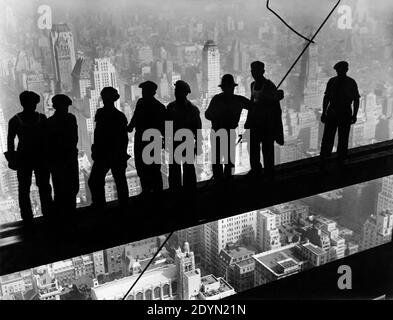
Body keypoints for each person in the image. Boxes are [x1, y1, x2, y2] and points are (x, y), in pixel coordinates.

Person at [5, 91, 53, 223]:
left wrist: (12, 159)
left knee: (24, 188)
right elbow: (48, 139)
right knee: (43, 186)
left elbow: (10, 143)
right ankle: (48, 213)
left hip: (23, 157)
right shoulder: (42, 118)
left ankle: (27, 218)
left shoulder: (14, 120)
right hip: (40, 157)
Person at [88, 87, 130, 210]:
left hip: (112, 154)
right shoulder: (103, 113)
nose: (104, 99)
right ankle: (102, 204)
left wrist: (121, 154)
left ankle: (105, 205)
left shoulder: (118, 116)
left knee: (117, 180)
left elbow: (123, 138)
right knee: (101, 180)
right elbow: (98, 133)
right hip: (105, 154)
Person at [205, 74, 251, 179]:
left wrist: (217, 116)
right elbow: (254, 107)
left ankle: (219, 183)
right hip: (228, 133)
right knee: (228, 162)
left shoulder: (217, 99)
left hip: (217, 132)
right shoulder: (238, 100)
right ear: (233, 87)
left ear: (222, 88)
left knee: (217, 162)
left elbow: (207, 114)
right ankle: (227, 183)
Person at [245, 61, 284, 178]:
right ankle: (256, 169)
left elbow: (275, 107)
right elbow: (252, 103)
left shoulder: (269, 85)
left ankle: (269, 171)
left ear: (262, 71)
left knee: (267, 150)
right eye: (252, 70)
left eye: (256, 70)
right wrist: (248, 120)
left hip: (267, 124)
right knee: (253, 149)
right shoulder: (252, 85)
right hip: (255, 123)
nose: (253, 73)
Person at [128, 81, 166, 194]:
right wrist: (129, 127)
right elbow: (134, 118)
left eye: (145, 91)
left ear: (152, 92)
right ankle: (148, 190)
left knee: (153, 168)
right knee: (141, 166)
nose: (143, 93)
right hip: (142, 138)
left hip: (151, 139)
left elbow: (166, 124)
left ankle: (156, 191)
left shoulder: (158, 107)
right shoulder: (143, 103)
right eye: (143, 91)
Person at [320, 61, 360, 165]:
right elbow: (327, 97)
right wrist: (354, 115)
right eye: (338, 71)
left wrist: (324, 112)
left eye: (340, 70)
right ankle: (338, 159)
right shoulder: (350, 82)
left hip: (336, 113)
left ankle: (327, 159)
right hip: (340, 113)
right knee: (339, 137)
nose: (339, 72)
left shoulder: (334, 81)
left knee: (334, 137)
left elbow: (326, 98)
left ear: (345, 70)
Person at [47, 94, 79, 215]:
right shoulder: (71, 118)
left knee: (61, 189)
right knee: (70, 188)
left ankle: (62, 217)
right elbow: (74, 139)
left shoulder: (50, 121)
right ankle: (69, 215)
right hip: (67, 158)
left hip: (58, 160)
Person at [166, 80, 202, 190]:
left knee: (188, 170)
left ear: (184, 93)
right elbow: (167, 126)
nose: (176, 93)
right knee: (174, 171)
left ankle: (189, 192)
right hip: (175, 143)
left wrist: (198, 146)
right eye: (176, 90)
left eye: (178, 90)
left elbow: (198, 129)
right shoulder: (170, 107)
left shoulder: (192, 109)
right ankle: (176, 191)